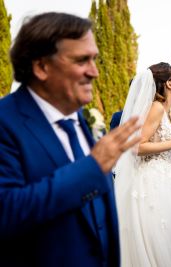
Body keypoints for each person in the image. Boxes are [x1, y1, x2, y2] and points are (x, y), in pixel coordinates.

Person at [0, 12, 141, 266]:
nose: (95, 72)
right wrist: (92, 167)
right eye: (81, 60)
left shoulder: (78, 117)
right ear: (41, 66)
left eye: (94, 59)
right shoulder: (5, 122)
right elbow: (7, 211)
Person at [114, 62, 171, 266]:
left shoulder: (167, 112)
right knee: (156, 237)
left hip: (166, 179)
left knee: (169, 236)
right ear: (168, 84)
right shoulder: (156, 108)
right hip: (151, 181)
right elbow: (136, 147)